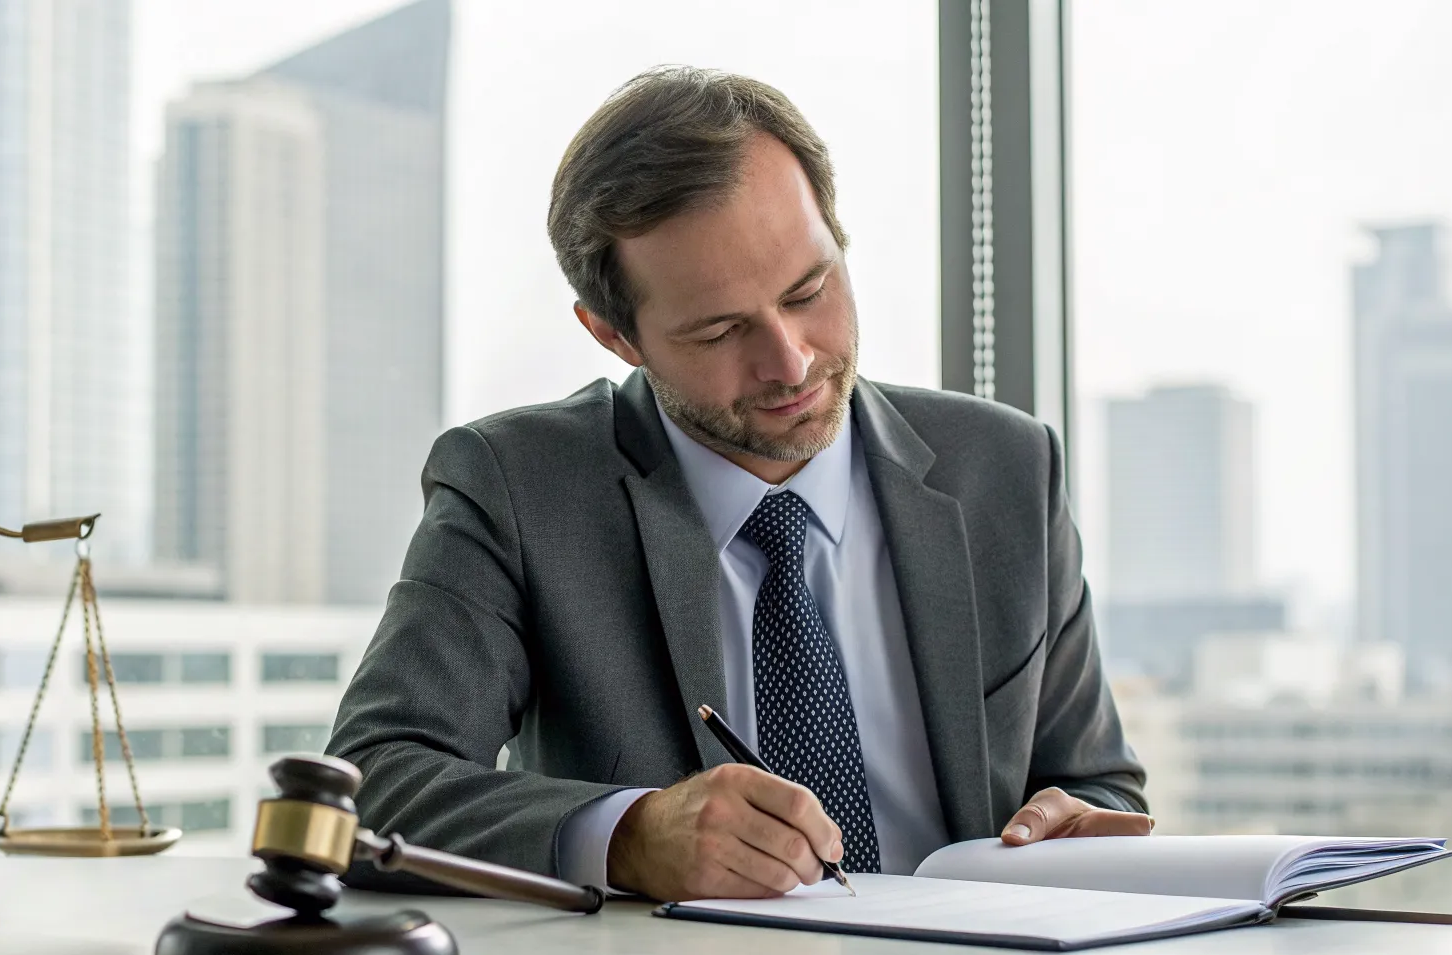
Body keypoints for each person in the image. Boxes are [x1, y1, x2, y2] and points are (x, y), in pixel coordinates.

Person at [326, 66, 1149, 903]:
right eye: (721, 330)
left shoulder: (1007, 469)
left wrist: (1080, 829)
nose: (790, 362)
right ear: (615, 336)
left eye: (809, 290)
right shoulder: (520, 488)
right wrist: (630, 836)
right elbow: (364, 788)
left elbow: (1100, 788)